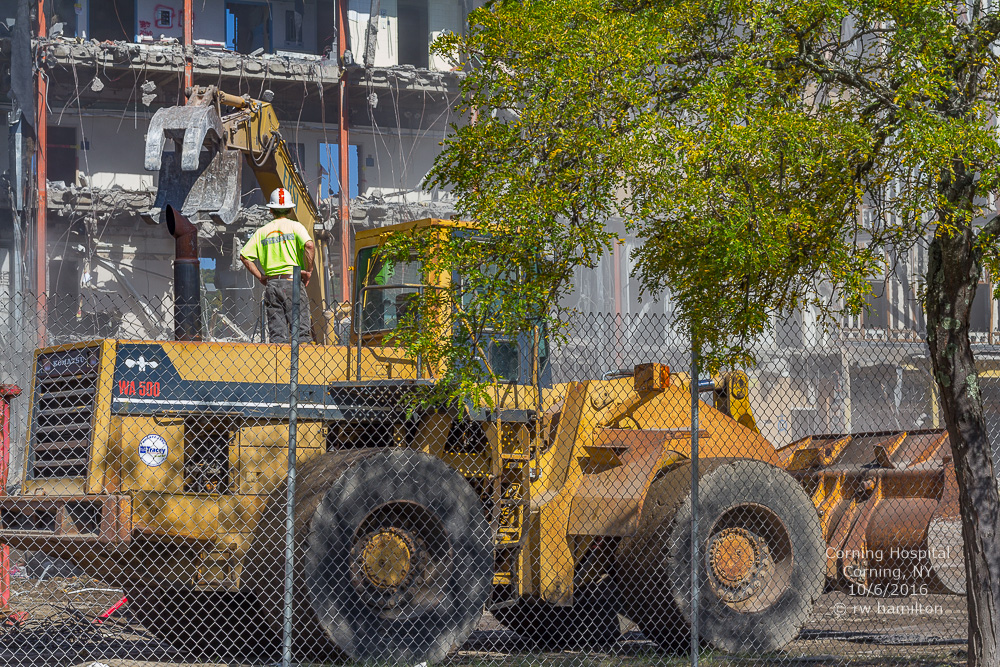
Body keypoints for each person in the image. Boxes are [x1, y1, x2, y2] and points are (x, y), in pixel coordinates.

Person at [239, 188, 315, 344]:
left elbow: (244, 256)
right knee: (301, 334)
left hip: (272, 284)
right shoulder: (296, 227)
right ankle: (303, 367)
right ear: (290, 208)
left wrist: (261, 277)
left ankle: (280, 366)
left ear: (271, 209)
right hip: (292, 281)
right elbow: (309, 245)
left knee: (277, 335)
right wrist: (309, 270)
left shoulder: (262, 232)